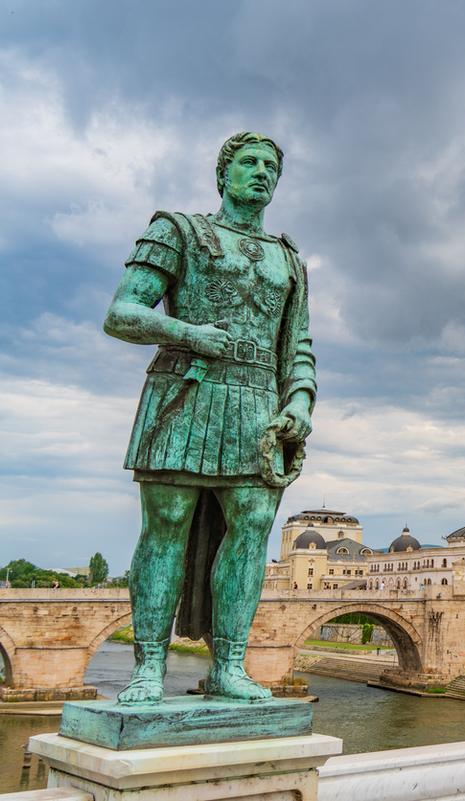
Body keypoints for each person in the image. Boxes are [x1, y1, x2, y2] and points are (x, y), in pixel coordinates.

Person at [103, 132, 315, 704]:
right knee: (166, 526)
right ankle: (148, 667)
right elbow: (122, 313)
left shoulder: (288, 258)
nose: (261, 172)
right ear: (223, 174)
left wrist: (298, 401)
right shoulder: (177, 231)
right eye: (248, 162)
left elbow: (297, 345)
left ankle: (228, 666)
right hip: (185, 394)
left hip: (255, 407)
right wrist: (187, 332)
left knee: (250, 528)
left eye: (271, 165)